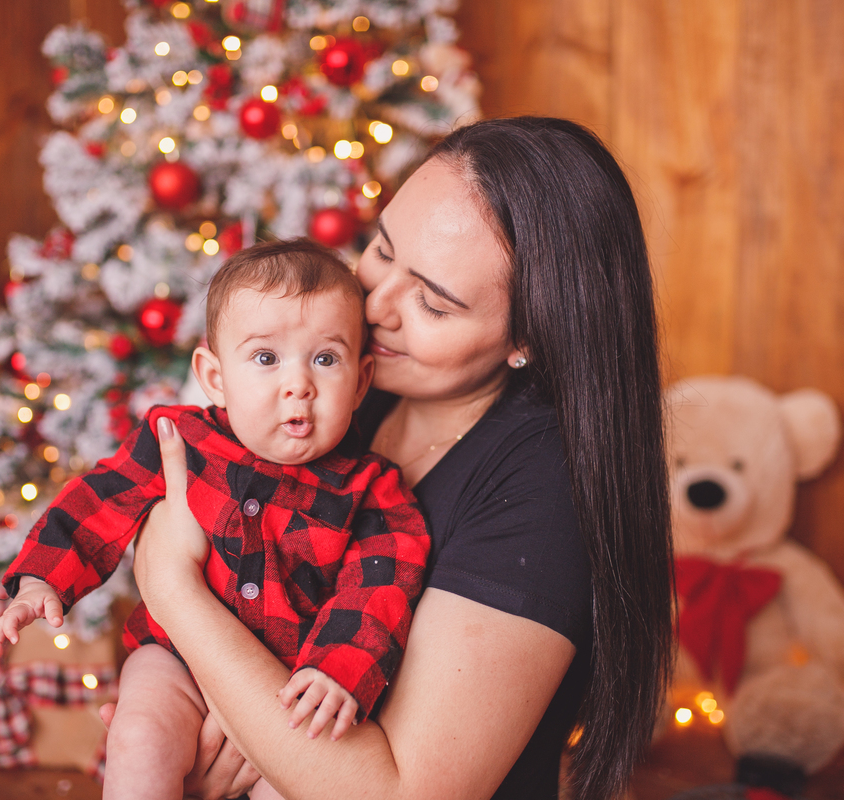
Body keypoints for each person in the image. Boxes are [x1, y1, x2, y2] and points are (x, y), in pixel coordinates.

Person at [126, 117, 674, 800]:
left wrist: (171, 588)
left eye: (432, 303)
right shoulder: (345, 389)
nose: (374, 305)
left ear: (529, 337)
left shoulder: (543, 488)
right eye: (382, 250)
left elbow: (400, 793)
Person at [0, 239, 431, 800]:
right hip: (174, 660)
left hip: (288, 686)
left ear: (361, 381)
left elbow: (380, 586)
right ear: (214, 377)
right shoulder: (179, 437)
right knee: (140, 737)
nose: (299, 385)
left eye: (325, 358)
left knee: (295, 787)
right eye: (266, 358)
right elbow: (100, 498)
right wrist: (39, 580)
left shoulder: (374, 493)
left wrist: (339, 669)